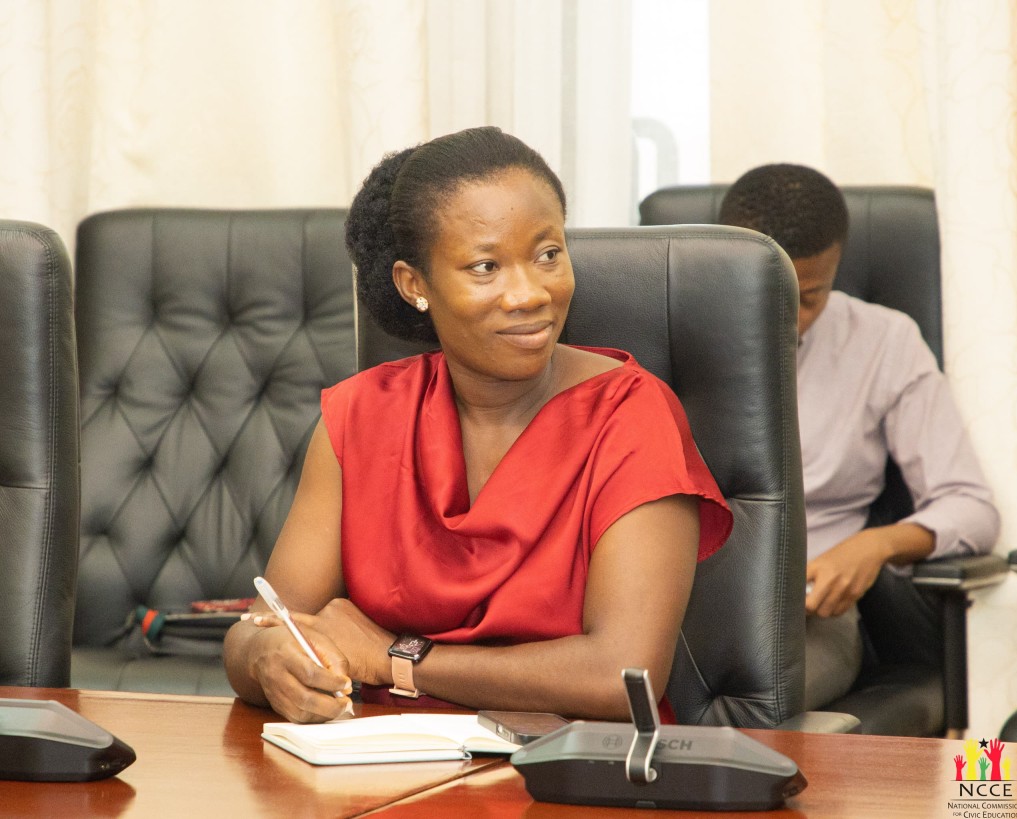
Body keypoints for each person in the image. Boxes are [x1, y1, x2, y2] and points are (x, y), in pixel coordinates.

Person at [224, 126, 733, 724]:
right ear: (415, 285)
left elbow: (623, 677)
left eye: (548, 255)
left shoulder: (632, 415)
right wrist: (268, 659)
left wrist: (394, 659)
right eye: (486, 266)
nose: (530, 293)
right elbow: (260, 629)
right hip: (378, 760)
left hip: (566, 766)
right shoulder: (362, 415)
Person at [719, 163, 1000, 709]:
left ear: (837, 267)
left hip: (804, 617)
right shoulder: (666, 331)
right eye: (768, 295)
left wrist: (876, 544)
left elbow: (970, 505)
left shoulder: (884, 342)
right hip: (676, 608)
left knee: (744, 705)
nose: (788, 318)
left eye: (809, 296)